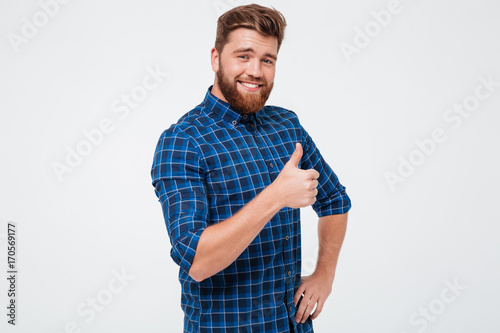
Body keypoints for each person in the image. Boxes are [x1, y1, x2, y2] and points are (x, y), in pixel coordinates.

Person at [150, 4, 351, 332]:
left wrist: (324, 275)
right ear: (216, 59)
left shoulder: (286, 125)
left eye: (267, 60)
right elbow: (197, 261)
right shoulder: (183, 142)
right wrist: (276, 196)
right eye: (243, 56)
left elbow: (335, 201)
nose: (256, 71)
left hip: (293, 326)